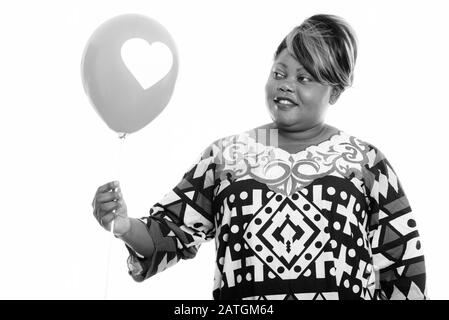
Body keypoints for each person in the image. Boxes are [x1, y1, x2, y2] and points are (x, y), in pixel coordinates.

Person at [92, 14, 427, 300]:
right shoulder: (227, 155)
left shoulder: (366, 162)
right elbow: (169, 235)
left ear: (335, 91)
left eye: (304, 78)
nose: (285, 85)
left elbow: (404, 270)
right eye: (279, 74)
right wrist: (122, 226)